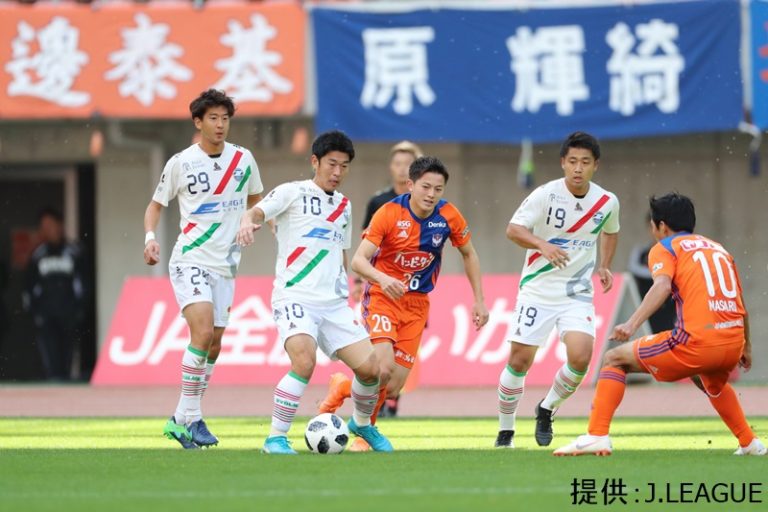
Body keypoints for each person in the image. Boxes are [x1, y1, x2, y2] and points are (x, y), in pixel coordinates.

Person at [554, 193, 765, 456]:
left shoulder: (665, 247)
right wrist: (746, 346)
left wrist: (631, 324)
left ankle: (596, 435)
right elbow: (739, 301)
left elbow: (662, 286)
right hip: (732, 343)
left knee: (614, 359)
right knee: (710, 380)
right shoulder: (718, 249)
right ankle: (749, 442)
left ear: (661, 226)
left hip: (698, 343)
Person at [237, 130, 393, 454]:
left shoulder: (345, 206)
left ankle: (362, 424)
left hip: (333, 304)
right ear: (315, 162)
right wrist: (247, 222)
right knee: (304, 362)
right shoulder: (292, 192)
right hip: (295, 296)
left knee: (371, 370)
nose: (337, 172)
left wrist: (350, 286)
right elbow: (257, 211)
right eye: (331, 164)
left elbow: (342, 250)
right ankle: (275, 438)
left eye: (344, 166)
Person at [319, 155, 490, 451]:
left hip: (417, 305)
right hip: (383, 298)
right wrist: (383, 279)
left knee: (393, 386)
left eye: (438, 189)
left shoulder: (449, 216)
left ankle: (343, 389)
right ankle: (365, 431)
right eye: (425, 187)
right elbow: (358, 261)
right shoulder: (388, 213)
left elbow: (469, 254)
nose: (431, 194)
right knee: (382, 368)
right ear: (411, 185)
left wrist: (479, 300)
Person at [144, 89, 264, 449]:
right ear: (198, 122)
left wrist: (252, 220)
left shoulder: (243, 159)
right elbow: (155, 205)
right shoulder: (181, 163)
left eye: (225, 118)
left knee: (214, 343)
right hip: (190, 258)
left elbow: (257, 200)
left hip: (225, 265)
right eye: (213, 118)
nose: (220, 125)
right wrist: (150, 238)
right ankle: (193, 418)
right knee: (202, 332)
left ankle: (180, 419)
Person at [495, 131, 620, 449]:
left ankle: (547, 408)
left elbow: (610, 230)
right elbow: (513, 229)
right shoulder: (545, 195)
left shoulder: (607, 201)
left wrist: (605, 265)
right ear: (563, 162)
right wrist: (542, 244)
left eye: (585, 162)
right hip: (537, 290)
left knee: (581, 358)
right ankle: (506, 432)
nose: (578, 168)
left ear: (596, 166)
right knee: (519, 362)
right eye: (573, 161)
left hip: (576, 293)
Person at [349, 140, 423, 418]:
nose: (402, 169)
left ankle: (391, 399)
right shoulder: (379, 203)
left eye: (408, 164)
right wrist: (359, 283)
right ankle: (370, 404)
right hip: (381, 290)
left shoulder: (430, 206)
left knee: (403, 350)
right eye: (398, 163)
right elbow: (364, 247)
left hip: (413, 294)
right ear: (390, 167)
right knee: (381, 351)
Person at [23, 208, 88, 381]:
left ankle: (65, 393)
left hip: (69, 316)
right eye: (44, 226)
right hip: (46, 317)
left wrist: (79, 310)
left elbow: (84, 285)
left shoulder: (75, 252)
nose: (48, 230)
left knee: (67, 361)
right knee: (50, 364)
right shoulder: (37, 254)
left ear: (60, 225)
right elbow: (29, 286)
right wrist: (35, 312)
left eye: (51, 225)